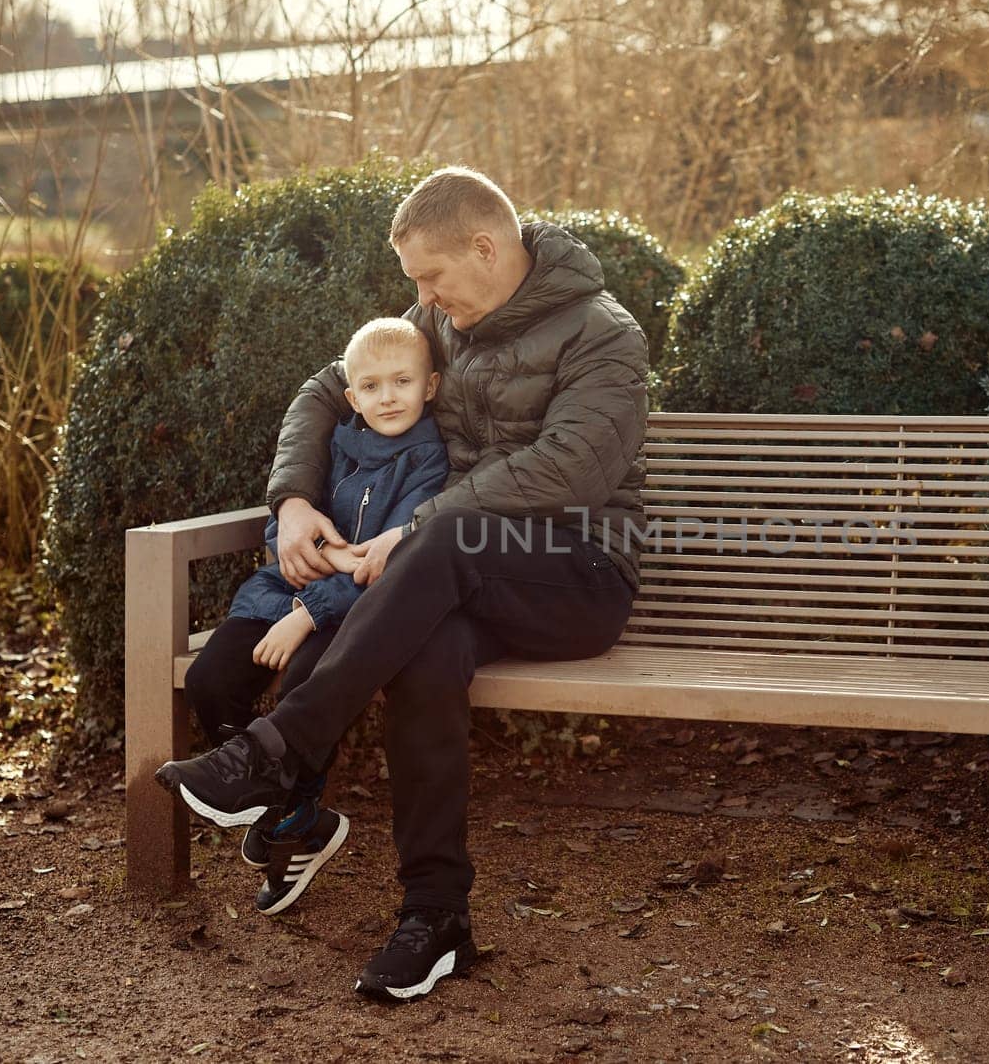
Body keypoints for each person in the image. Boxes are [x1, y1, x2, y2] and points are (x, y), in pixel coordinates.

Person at [157, 166, 648, 1002]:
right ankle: (436, 916)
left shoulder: (602, 332)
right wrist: (297, 500)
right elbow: (325, 387)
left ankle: (277, 751)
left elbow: (576, 466)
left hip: (575, 576)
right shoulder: (441, 323)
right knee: (427, 652)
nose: (421, 296)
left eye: (431, 276)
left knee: (446, 530)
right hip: (454, 580)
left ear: (486, 247)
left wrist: (422, 524)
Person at [175, 317, 448, 918]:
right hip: (278, 591)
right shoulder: (336, 443)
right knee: (210, 681)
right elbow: (290, 529)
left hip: (348, 612)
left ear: (429, 386)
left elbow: (388, 566)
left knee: (303, 679)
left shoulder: (430, 462)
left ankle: (295, 813)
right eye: (371, 387)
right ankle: (284, 809)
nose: (388, 397)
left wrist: (307, 611)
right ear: (351, 397)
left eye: (402, 381)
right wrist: (304, 546)